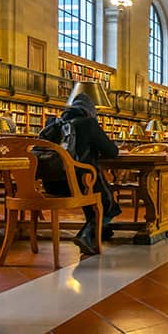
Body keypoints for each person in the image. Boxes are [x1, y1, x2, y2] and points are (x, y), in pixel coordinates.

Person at [39, 92, 119, 255]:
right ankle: (87, 234)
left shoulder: (52, 123)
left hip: (51, 185)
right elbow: (112, 151)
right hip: (80, 183)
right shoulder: (88, 123)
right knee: (106, 200)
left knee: (93, 191)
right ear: (90, 110)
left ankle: (100, 231)